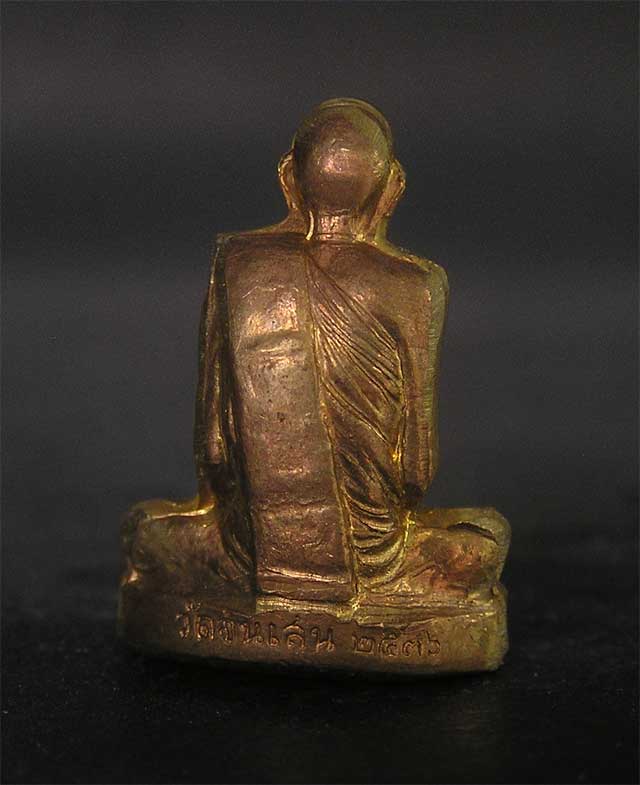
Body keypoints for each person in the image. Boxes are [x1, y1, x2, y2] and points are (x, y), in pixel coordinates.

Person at [122, 99, 509, 611]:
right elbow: (417, 470)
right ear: (392, 188)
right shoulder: (416, 287)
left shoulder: (239, 267)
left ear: (288, 179)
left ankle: (261, 593)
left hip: (249, 551)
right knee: (484, 542)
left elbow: (213, 451)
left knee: (146, 534)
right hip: (374, 557)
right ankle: (374, 599)